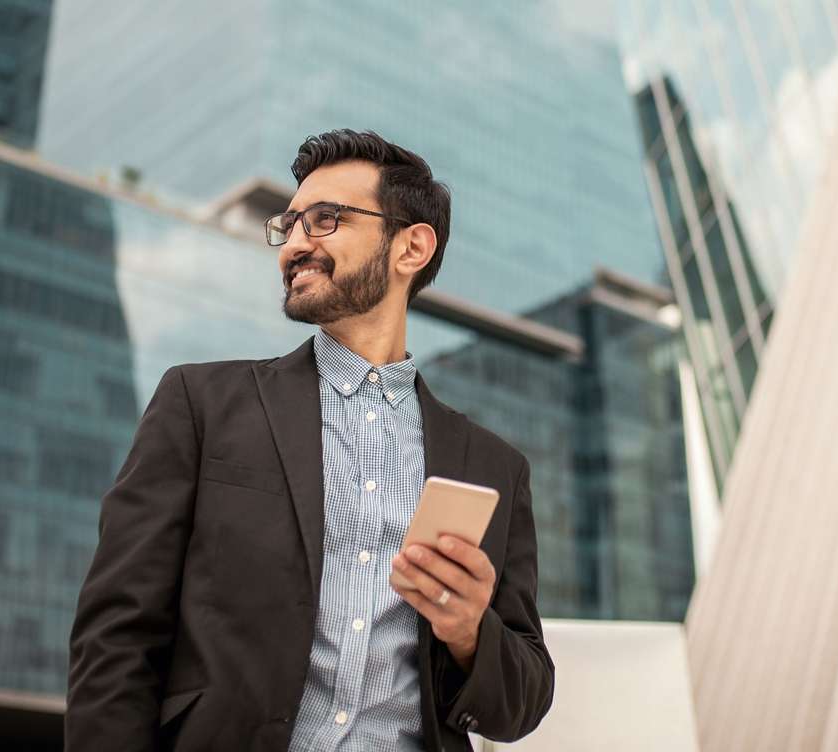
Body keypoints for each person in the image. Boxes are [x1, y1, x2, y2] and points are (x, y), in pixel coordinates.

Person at [66, 129, 553, 751]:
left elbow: (524, 701)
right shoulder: (202, 405)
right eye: (289, 225)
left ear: (412, 247)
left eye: (324, 221)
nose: (294, 246)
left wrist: (468, 633)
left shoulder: (493, 468)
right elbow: (117, 635)